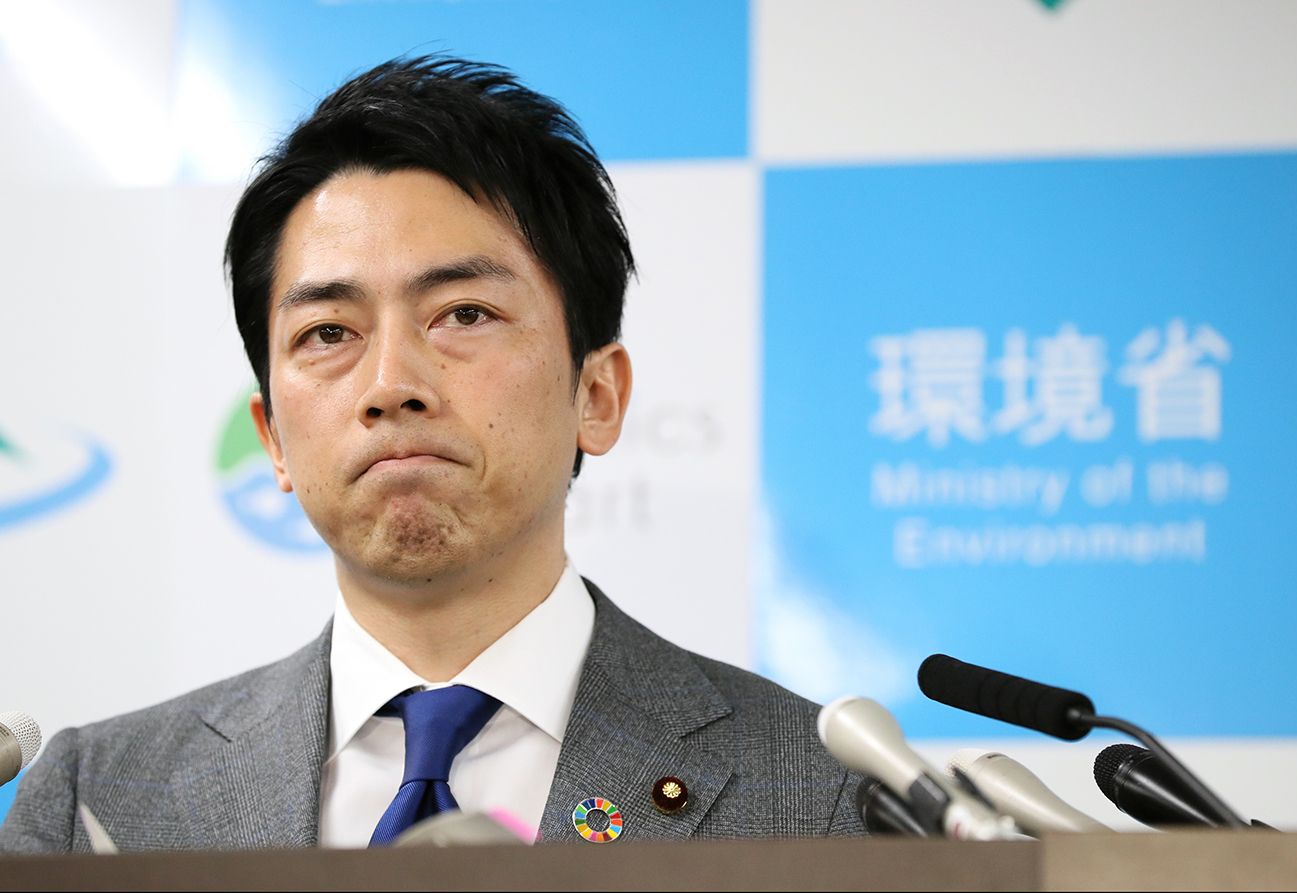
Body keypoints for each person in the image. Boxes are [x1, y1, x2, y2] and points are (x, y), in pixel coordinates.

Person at [0, 55, 863, 852]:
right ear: (273, 440)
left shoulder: (816, 794)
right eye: (328, 331)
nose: (391, 384)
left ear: (596, 396)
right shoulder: (98, 799)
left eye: (463, 314)